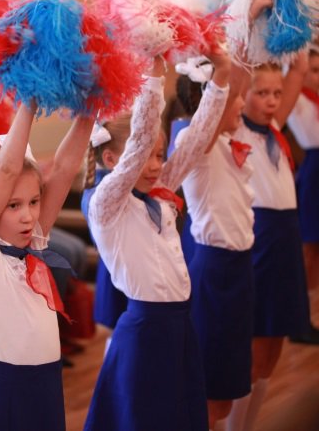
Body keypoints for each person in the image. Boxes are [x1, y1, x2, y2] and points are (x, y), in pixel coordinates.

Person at [84, 50, 230, 431]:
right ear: (113, 159)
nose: (154, 165)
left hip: (180, 326)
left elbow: (196, 140)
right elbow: (139, 146)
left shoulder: (159, 191)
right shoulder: (105, 205)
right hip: (146, 331)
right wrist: (151, 75)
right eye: (145, 156)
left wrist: (221, 79)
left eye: (159, 155)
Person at [0, 103, 93, 431]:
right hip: (9, 397)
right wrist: (29, 100)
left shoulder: (34, 243)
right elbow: (8, 170)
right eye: (13, 205)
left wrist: (91, 106)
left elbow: (67, 167)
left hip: (47, 390)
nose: (28, 215)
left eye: (33, 202)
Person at [226, 53, 311, 431]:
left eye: (277, 93)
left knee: (274, 347)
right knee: (255, 347)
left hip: (285, 237)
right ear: (245, 97)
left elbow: (298, 74)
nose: (274, 101)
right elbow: (235, 82)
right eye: (262, 93)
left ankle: (249, 423)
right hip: (260, 239)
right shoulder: (236, 132)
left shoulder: (273, 127)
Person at [176, 64, 253, 430]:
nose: (243, 101)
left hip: (238, 268)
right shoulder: (193, 140)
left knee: (226, 391)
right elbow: (206, 122)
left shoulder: (224, 140)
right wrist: (225, 65)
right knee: (209, 389)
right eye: (235, 95)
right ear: (210, 101)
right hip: (213, 273)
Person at [82, 120, 130, 354]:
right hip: (118, 269)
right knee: (119, 335)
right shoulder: (102, 194)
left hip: (129, 268)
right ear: (110, 159)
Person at [286, 46, 319, 344]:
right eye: (314, 71)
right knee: (310, 249)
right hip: (314, 170)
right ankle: (304, 318)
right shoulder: (297, 102)